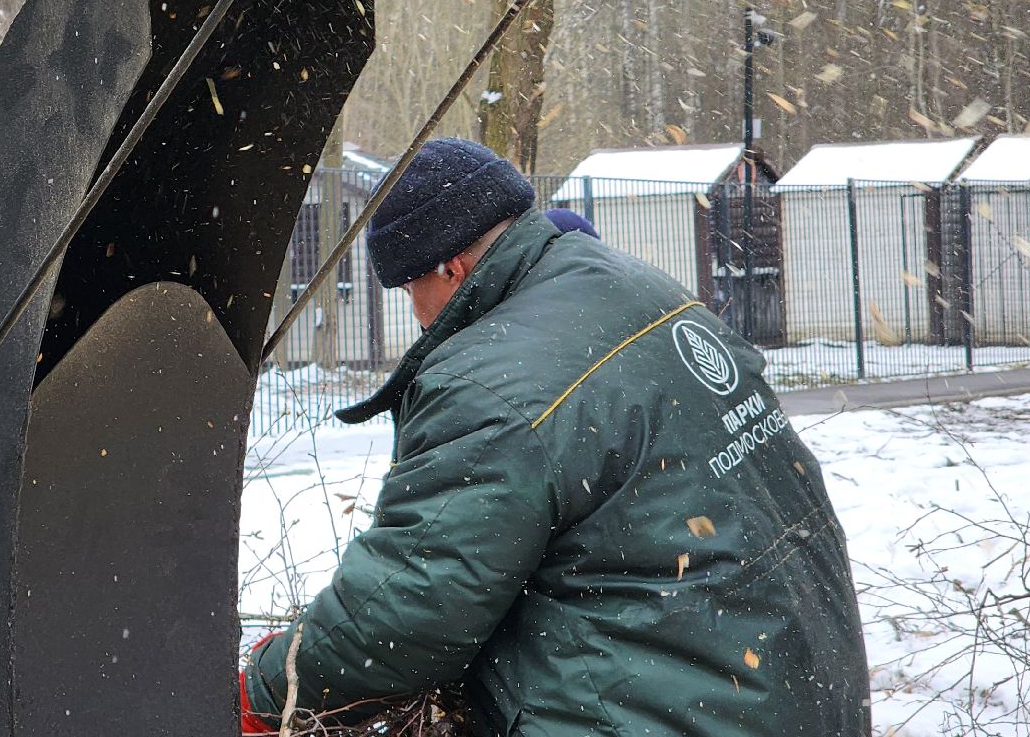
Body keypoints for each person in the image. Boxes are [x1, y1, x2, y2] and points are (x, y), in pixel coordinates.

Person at [240, 138, 869, 736]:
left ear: (451, 269)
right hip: (794, 682)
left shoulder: (490, 385)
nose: (416, 314)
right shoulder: (635, 286)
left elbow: (410, 607)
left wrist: (270, 689)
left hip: (665, 711)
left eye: (412, 290)